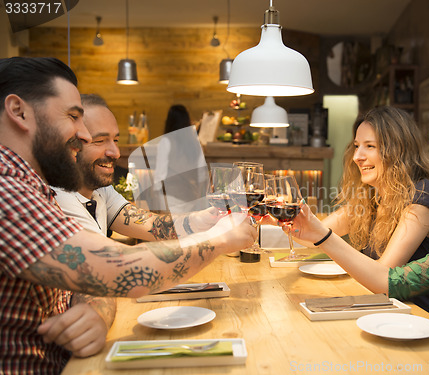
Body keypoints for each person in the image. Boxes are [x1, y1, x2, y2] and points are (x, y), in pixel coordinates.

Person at [0, 56, 256, 375]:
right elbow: (116, 268)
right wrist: (221, 239)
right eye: (73, 117)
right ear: (18, 111)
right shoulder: (5, 188)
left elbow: (90, 274)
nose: (82, 134)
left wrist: (203, 221)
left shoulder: (33, 185)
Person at [286, 127, 429, 355]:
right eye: (356, 146)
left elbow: (384, 273)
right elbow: (390, 282)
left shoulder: (425, 194)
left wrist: (321, 236)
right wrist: (311, 232)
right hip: (411, 332)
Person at [53, 94, 217, 240]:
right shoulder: (58, 201)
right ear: (70, 144)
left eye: (115, 140)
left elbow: (152, 225)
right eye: (100, 141)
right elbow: (112, 260)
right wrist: (221, 242)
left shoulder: (101, 191)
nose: (115, 153)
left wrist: (203, 219)